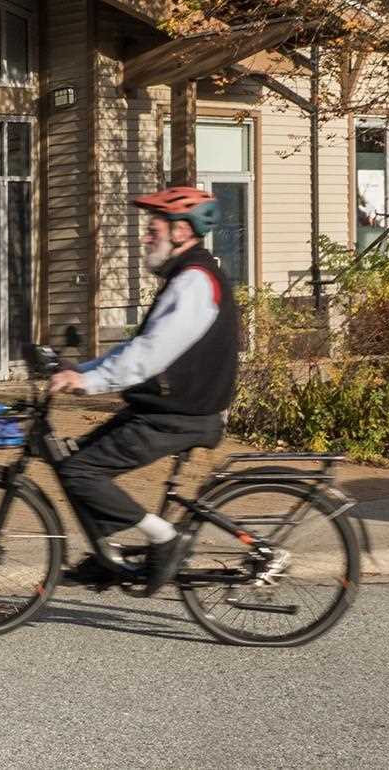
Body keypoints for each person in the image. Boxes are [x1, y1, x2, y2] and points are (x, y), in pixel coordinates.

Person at [49, 184, 239, 592]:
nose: (146, 237)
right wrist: (80, 370)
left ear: (181, 232)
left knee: (81, 471)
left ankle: (164, 538)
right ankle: (109, 555)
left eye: (154, 229)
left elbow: (150, 355)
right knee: (77, 461)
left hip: (181, 415)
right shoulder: (186, 277)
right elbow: (136, 348)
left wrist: (88, 381)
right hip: (167, 409)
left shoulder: (194, 282)